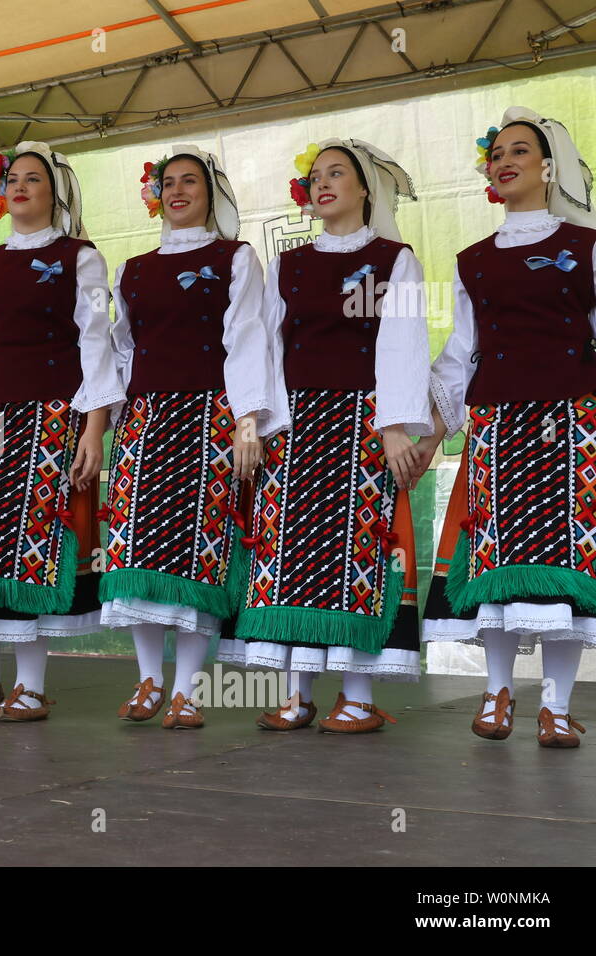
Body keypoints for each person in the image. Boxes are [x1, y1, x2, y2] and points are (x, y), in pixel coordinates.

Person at [217, 139, 430, 732]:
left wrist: (393, 425)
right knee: (289, 555)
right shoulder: (290, 264)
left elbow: (404, 340)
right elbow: (266, 343)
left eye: (338, 173)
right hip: (295, 423)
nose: (323, 183)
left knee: (355, 552)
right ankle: (297, 694)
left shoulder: (396, 259)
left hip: (362, 422)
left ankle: (357, 695)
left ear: (366, 188)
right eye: (315, 176)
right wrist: (252, 418)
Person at [417, 107, 596, 748]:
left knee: (566, 570)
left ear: (549, 167)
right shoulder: (474, 261)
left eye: (520, 150)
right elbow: (457, 355)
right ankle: (496, 697)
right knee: (497, 566)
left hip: (574, 424)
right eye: (496, 154)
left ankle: (554, 706)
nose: (506, 160)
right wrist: (433, 432)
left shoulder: (587, 248)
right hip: (496, 425)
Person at [0, 141, 124, 721]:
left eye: (32, 180)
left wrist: (94, 428)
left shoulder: (81, 257)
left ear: (55, 193)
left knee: (32, 543)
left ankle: (33, 686)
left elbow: (97, 343)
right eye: (11, 179)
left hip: (51, 415)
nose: (18, 187)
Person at [102, 146, 277, 727]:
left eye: (190, 182)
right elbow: (123, 350)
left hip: (208, 419)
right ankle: (148, 679)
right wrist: (114, 421)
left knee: (196, 556)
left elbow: (248, 338)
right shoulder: (133, 269)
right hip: (144, 423)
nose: (177, 191)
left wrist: (247, 420)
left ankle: (188, 690)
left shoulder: (236, 258)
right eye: (168, 183)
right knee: (139, 553)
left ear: (211, 194)